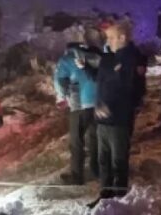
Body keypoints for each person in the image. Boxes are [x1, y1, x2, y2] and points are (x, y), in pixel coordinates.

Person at [91, 21, 146, 201]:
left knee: (118, 160)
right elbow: (102, 84)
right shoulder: (110, 58)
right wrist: (99, 104)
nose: (108, 42)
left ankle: (119, 197)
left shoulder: (131, 59)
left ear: (122, 38)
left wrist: (111, 106)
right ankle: (105, 194)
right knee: (103, 159)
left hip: (118, 120)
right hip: (102, 118)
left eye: (111, 38)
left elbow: (131, 91)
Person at [53, 27, 102, 185]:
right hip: (99, 102)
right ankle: (97, 169)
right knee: (95, 138)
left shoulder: (66, 59)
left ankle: (77, 175)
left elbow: (59, 81)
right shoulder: (95, 55)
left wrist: (62, 97)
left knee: (77, 141)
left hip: (79, 104)